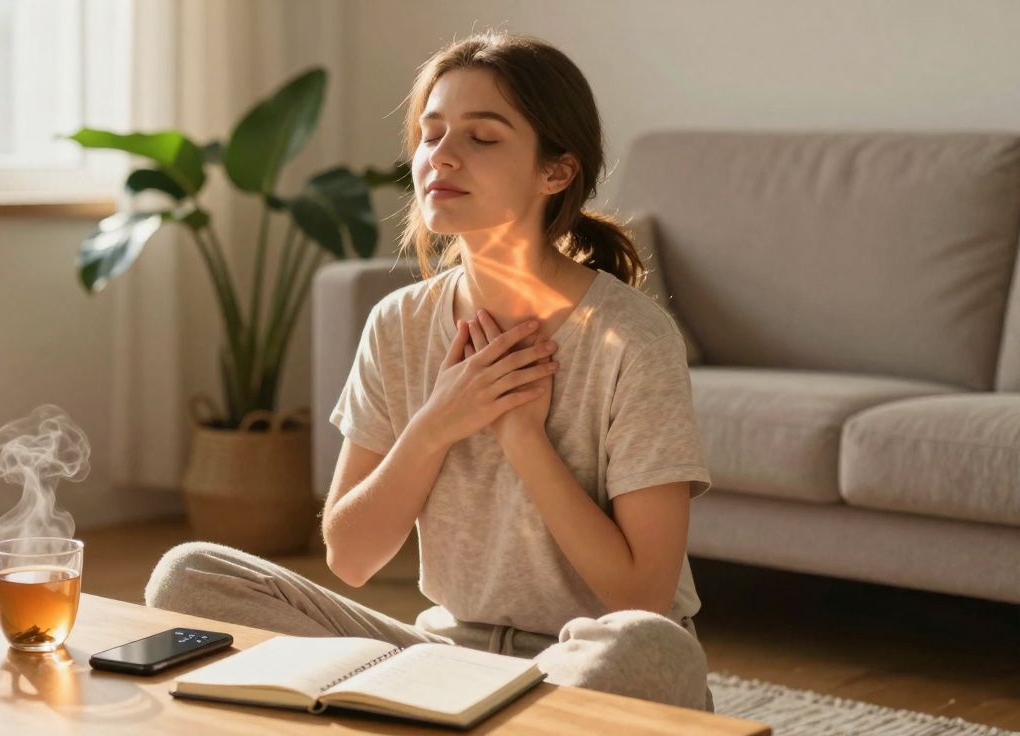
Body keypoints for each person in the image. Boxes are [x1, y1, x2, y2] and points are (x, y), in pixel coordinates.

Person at [145, 29, 715, 713]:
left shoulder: (632, 338)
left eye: (482, 137)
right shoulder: (400, 323)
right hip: (447, 657)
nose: (440, 156)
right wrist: (440, 420)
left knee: (648, 651)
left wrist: (522, 438)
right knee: (188, 577)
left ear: (556, 171)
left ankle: (443, 719)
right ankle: (458, 717)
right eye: (431, 133)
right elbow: (350, 558)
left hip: (587, 659)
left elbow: (643, 600)